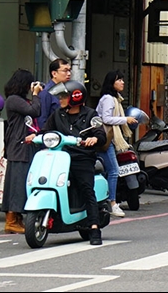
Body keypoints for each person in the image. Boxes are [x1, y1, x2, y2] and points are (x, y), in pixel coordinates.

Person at [37, 80, 107, 245]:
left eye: (63, 96)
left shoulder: (90, 115)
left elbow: (101, 135)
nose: (60, 100)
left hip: (82, 158)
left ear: (75, 97)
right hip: (61, 157)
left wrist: (94, 138)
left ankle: (95, 228)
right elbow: (45, 130)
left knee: (86, 189)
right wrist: (35, 136)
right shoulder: (58, 115)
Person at [1, 69, 43, 234]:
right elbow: (35, 111)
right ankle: (11, 221)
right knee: (17, 183)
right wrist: (36, 95)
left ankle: (16, 218)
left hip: (23, 145)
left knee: (20, 181)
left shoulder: (19, 100)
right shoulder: (13, 100)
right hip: (19, 146)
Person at [95, 70, 139, 218]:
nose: (122, 82)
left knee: (107, 171)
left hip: (109, 140)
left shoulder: (115, 99)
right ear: (111, 83)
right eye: (119, 80)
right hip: (106, 140)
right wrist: (125, 120)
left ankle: (103, 201)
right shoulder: (108, 99)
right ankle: (112, 202)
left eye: (122, 79)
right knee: (113, 171)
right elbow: (106, 119)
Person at [38, 58, 72, 128]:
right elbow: (42, 120)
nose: (69, 74)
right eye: (65, 71)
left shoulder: (67, 90)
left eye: (69, 70)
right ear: (54, 73)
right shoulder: (46, 93)